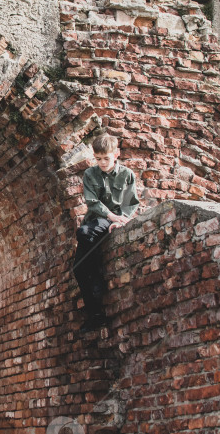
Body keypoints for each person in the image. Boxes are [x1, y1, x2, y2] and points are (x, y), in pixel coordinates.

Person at [73, 131, 140, 334]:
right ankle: (96, 314)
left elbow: (131, 203)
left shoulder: (127, 175)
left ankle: (96, 285)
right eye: (98, 158)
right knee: (78, 269)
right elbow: (92, 203)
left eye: (106, 158)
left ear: (116, 154)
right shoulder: (90, 174)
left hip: (116, 221)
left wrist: (122, 221)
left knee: (84, 234)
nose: (102, 163)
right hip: (98, 219)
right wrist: (111, 217)